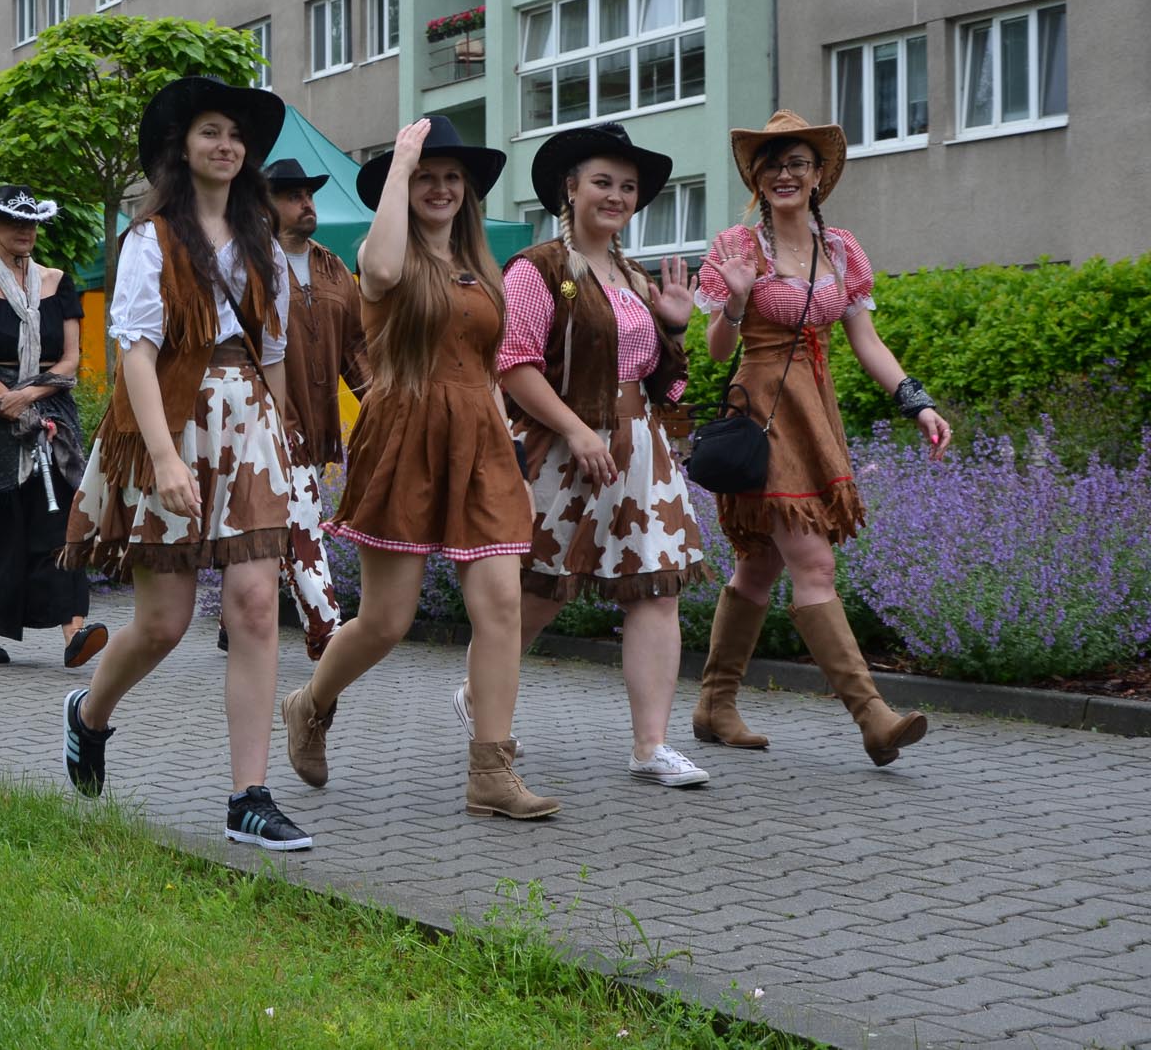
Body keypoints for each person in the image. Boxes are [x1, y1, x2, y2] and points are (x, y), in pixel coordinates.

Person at [282, 116, 561, 820]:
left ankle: (490, 772)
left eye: (451, 177)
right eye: (426, 176)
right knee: (385, 620)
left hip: (482, 438)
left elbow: (491, 368)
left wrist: (512, 449)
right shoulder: (388, 257)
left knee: (500, 604)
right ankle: (308, 704)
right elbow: (376, 271)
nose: (439, 187)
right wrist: (399, 161)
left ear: (467, 192)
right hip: (405, 433)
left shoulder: (482, 268)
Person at [60, 76, 310, 852]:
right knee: (164, 625)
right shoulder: (151, 240)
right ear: (183, 147)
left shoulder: (265, 244)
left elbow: (273, 355)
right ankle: (88, 713)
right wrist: (165, 455)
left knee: (256, 608)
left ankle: (249, 797)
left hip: (250, 431)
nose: (226, 144)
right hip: (170, 423)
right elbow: (134, 350)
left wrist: (289, 455)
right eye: (211, 131)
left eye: (236, 134)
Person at [693, 110, 952, 766]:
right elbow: (716, 345)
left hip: (818, 411)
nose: (784, 173)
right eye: (772, 163)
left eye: (798, 163)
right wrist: (736, 298)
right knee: (813, 563)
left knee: (760, 563)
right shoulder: (736, 246)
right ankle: (873, 715)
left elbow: (866, 341)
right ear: (757, 177)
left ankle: (714, 704)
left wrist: (914, 401)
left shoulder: (840, 249)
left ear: (818, 177)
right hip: (764, 409)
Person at [478, 122, 711, 789]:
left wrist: (674, 327)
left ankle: (651, 745)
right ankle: (481, 692)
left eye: (628, 187)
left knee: (657, 588)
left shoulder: (633, 274)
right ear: (570, 188)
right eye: (603, 182)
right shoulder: (536, 268)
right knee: (540, 591)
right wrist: (577, 430)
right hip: (564, 448)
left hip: (642, 449)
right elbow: (511, 364)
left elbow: (666, 384)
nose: (616, 195)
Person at [0, 188, 101, 665]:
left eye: (31, 223)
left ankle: (73, 630)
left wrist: (30, 398)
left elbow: (72, 360)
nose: (26, 231)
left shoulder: (58, 281)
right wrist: (5, 399)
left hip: (50, 407)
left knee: (58, 520)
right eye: (14, 223)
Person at [255, 156, 371, 659]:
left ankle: (240, 614)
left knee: (279, 522)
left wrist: (380, 402)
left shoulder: (331, 265)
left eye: (310, 194)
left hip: (319, 419)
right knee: (300, 514)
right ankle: (327, 628)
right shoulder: (249, 262)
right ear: (266, 205)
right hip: (264, 418)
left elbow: (355, 347)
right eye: (293, 195)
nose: (307, 204)